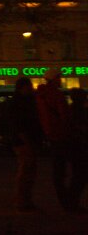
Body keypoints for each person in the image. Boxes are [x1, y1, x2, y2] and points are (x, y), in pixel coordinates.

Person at [36, 67, 73, 210]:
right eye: (59, 77)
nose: (61, 80)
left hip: (50, 134)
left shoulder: (41, 95)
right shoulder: (56, 95)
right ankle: (67, 200)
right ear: (54, 79)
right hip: (61, 133)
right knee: (67, 167)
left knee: (58, 168)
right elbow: (64, 116)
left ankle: (63, 198)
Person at [7, 75, 43, 211]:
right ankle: (22, 201)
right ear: (22, 88)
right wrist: (27, 141)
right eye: (29, 86)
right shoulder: (21, 103)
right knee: (26, 171)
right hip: (24, 142)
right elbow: (20, 125)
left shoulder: (20, 102)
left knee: (28, 171)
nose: (31, 89)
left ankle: (24, 200)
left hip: (25, 141)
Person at [67, 88, 88, 212]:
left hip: (75, 147)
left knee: (78, 175)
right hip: (79, 147)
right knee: (80, 176)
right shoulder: (79, 111)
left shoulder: (71, 110)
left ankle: (72, 202)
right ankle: (73, 202)